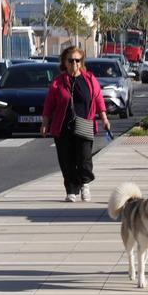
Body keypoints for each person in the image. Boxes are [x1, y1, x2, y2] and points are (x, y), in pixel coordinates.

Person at [42, 46, 111, 202]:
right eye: (70, 60)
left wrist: (104, 118)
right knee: (67, 160)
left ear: (81, 62)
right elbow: (49, 104)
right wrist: (45, 122)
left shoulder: (89, 79)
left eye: (77, 60)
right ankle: (71, 190)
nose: (74, 63)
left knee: (84, 158)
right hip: (63, 127)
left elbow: (99, 99)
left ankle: (85, 184)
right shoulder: (58, 82)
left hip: (85, 125)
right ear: (64, 62)